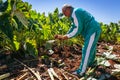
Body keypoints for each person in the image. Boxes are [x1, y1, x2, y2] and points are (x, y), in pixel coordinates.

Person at [54, 4, 101, 76]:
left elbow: (77, 29)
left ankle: (81, 72)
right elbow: (73, 26)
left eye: (64, 12)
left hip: (92, 30)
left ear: (68, 9)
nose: (64, 14)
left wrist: (66, 37)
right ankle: (91, 63)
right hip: (94, 29)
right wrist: (65, 35)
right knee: (91, 48)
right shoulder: (75, 14)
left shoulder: (75, 12)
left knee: (86, 50)